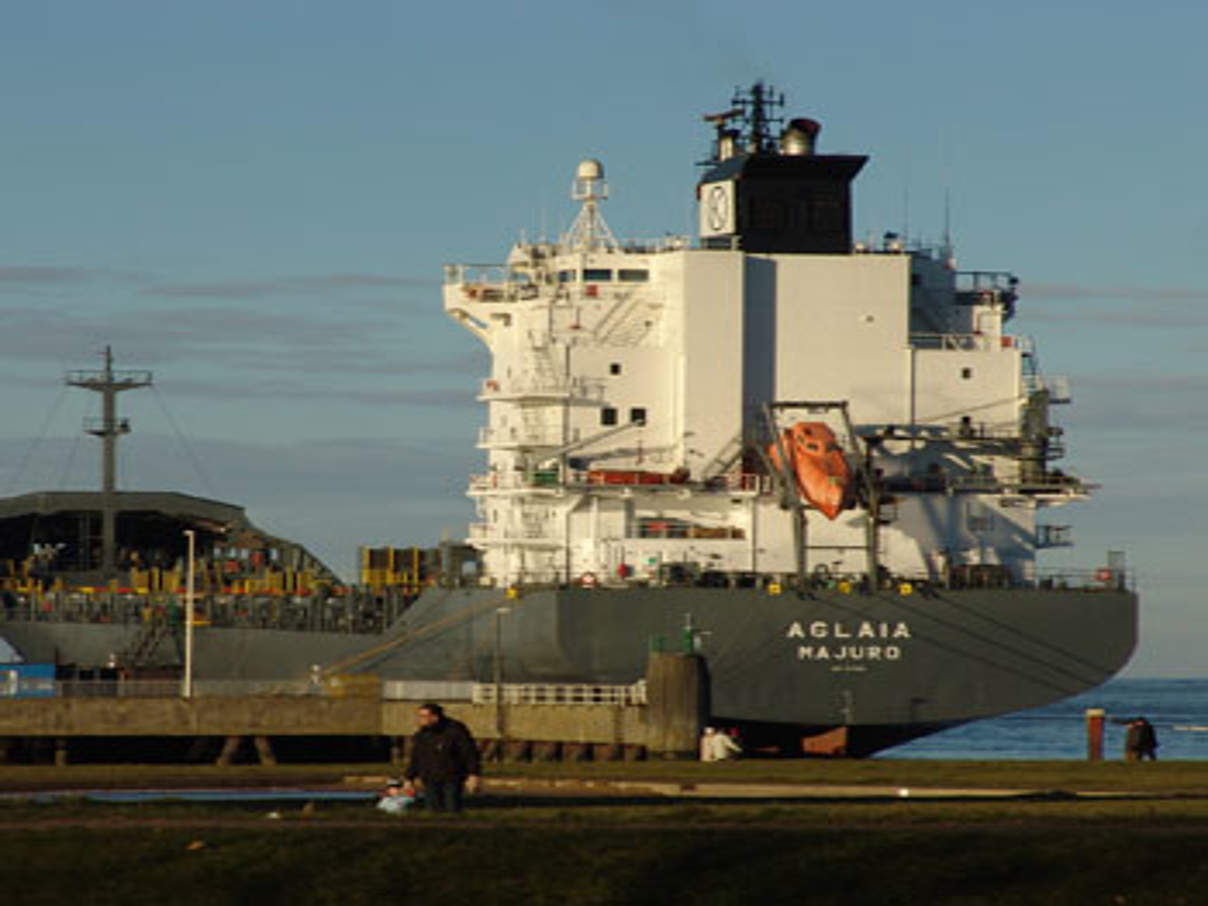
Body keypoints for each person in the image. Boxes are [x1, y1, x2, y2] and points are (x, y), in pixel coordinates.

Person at [403, 702, 481, 813]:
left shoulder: (455, 731)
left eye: (424, 716)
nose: (420, 720)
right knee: (433, 809)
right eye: (419, 716)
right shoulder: (422, 735)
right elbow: (416, 757)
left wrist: (473, 774)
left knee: (452, 808)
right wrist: (409, 778)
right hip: (429, 777)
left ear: (435, 717)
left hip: (452, 777)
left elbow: (469, 753)